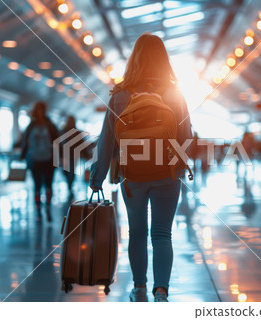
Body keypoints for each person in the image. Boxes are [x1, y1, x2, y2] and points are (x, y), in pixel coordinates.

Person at [89, 33, 192, 302]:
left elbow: (107, 141)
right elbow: (186, 136)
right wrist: (177, 165)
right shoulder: (174, 94)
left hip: (132, 176)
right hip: (167, 175)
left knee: (137, 233)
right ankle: (161, 291)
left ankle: (139, 288)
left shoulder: (120, 95)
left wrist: (98, 176)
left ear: (134, 59)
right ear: (164, 60)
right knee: (162, 233)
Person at [20, 101, 59, 222]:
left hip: (34, 161)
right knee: (48, 186)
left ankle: (38, 212)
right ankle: (47, 208)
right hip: (49, 160)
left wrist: (21, 157)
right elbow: (58, 142)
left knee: (36, 187)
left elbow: (25, 143)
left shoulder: (31, 126)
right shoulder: (50, 125)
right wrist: (61, 158)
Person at [60, 116, 84, 200]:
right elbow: (81, 143)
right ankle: (70, 185)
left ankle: (69, 185)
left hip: (65, 155)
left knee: (66, 171)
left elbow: (59, 144)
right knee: (72, 171)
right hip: (74, 155)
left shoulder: (63, 131)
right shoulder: (77, 131)